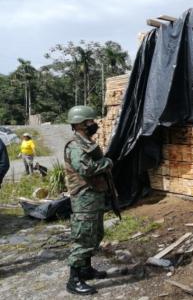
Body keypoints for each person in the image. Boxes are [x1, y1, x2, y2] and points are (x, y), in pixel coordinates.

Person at [65, 105, 113, 295]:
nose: (94, 124)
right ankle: (74, 280)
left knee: (94, 234)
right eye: (90, 121)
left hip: (93, 197)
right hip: (84, 199)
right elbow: (86, 169)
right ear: (81, 124)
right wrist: (107, 162)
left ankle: (86, 269)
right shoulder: (75, 145)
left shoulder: (85, 141)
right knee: (84, 238)